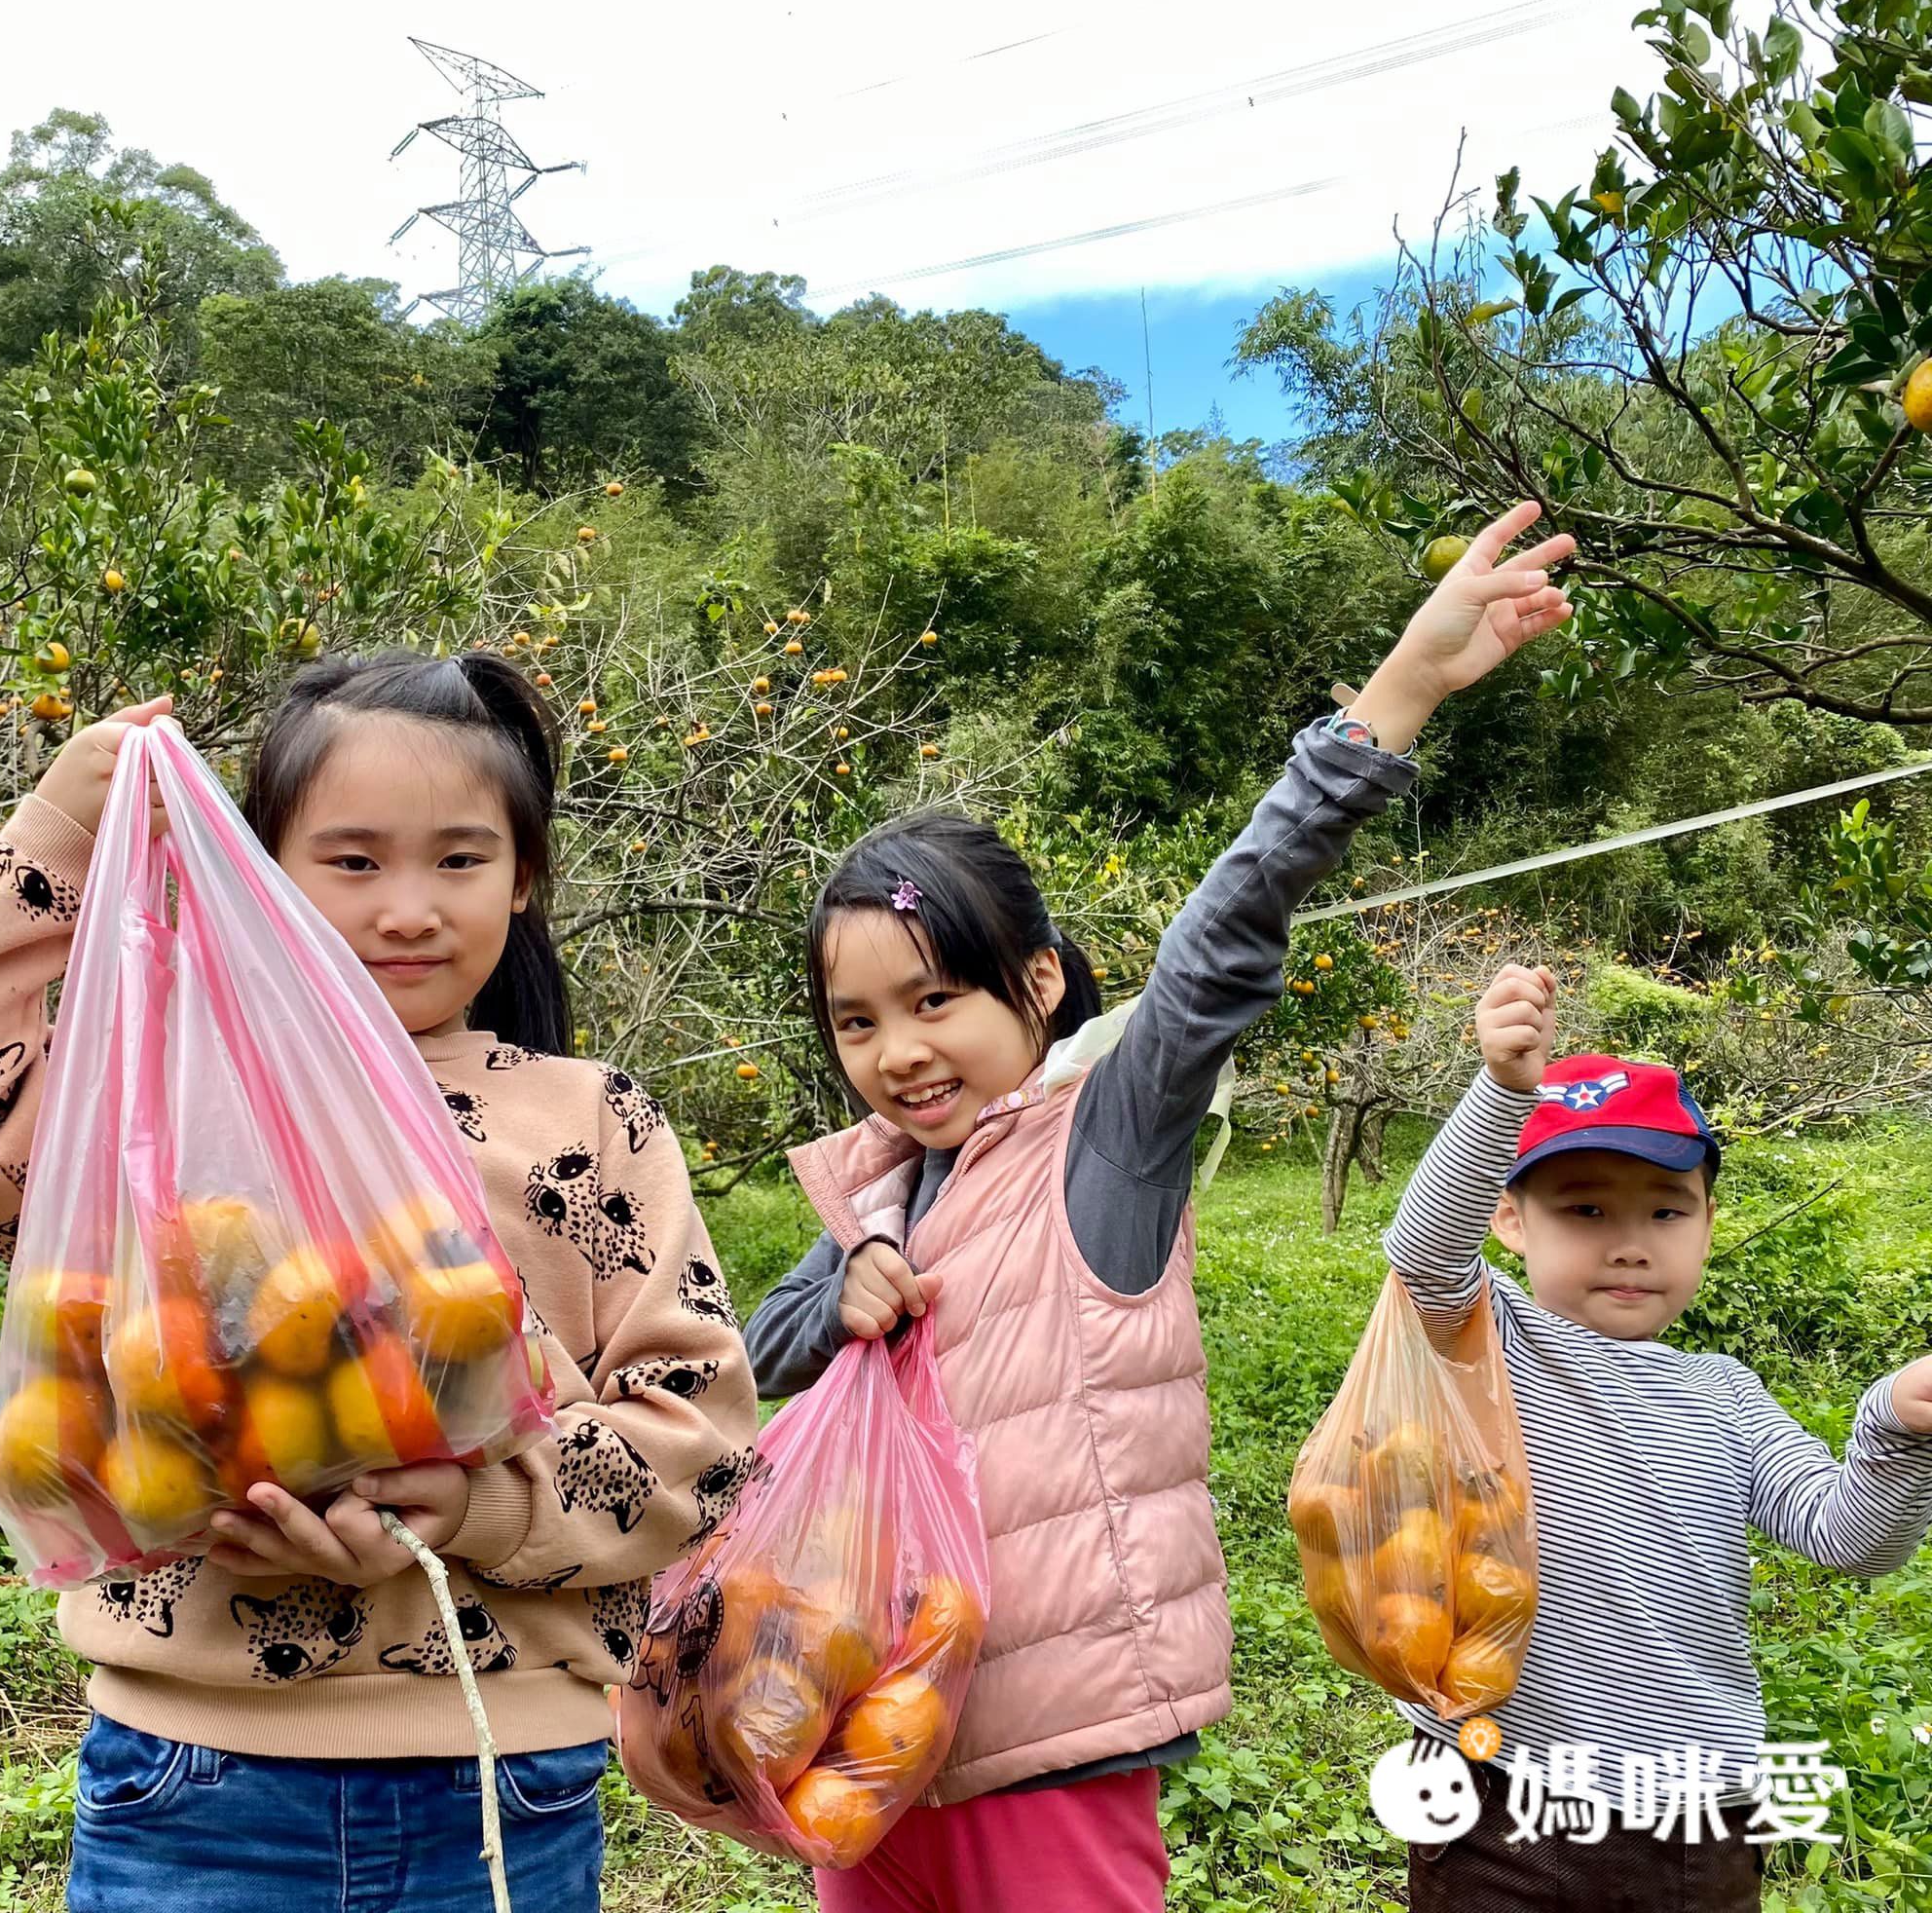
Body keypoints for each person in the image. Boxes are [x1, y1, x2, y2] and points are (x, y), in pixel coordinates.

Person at [743, 501, 1577, 1912]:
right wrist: (842, 1289)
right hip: (874, 1728)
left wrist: (1405, 689)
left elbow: (1224, 933)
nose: (897, 1051)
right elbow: (757, 1349)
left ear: (1039, 985)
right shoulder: (874, 1186)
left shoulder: (1108, 1141)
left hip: (1055, 1729)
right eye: (856, 1021)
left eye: (934, 999)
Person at [0, 652, 758, 1911]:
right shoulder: (164, 1104)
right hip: (196, 1782)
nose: (410, 908)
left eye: (461, 859)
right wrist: (57, 835)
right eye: (356, 859)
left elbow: (702, 1445)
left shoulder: (592, 1123)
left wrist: (477, 1504)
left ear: (525, 876)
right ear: (256, 866)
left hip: (501, 1783)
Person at [1383, 959, 1932, 1911]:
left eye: (1664, 1209)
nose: (1629, 1241)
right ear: (1510, 1218)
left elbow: (1850, 1540)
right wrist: (1500, 1091)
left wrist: (1891, 1423)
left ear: (1706, 1222)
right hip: (1497, 1798)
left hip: (1696, 1819)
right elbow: (1421, 1250)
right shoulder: (1487, 1336)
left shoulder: (1723, 1392)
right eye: (1585, 1208)